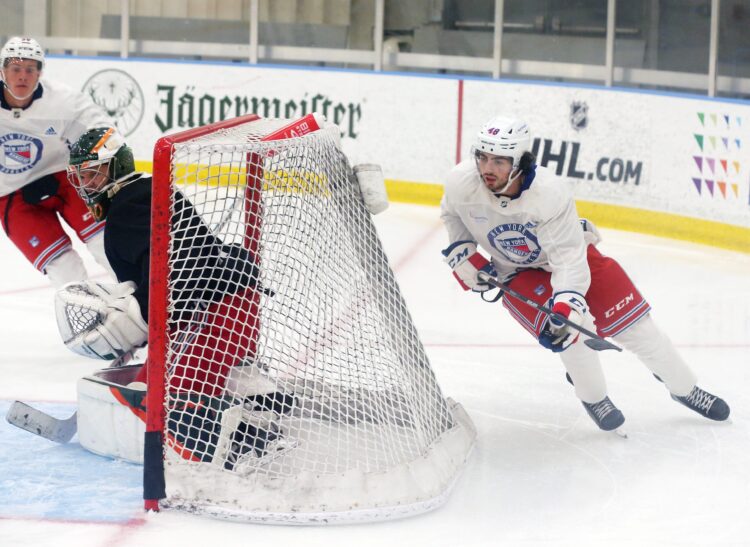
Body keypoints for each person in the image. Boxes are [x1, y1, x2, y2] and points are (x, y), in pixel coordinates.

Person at [440, 115, 730, 433]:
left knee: (640, 331)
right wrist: (463, 254)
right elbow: (452, 215)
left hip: (570, 258)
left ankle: (686, 389)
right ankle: (594, 396)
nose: (487, 168)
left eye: (498, 160)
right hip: (515, 272)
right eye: (482, 157)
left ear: (520, 161)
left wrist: (567, 302)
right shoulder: (460, 182)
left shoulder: (550, 193)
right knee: (573, 333)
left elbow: (568, 260)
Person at [55, 126, 293, 468]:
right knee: (150, 384)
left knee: (164, 401)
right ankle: (258, 398)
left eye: (93, 174)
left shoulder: (129, 207)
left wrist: (141, 321)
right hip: (230, 305)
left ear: (117, 166)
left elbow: (173, 274)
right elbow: (169, 268)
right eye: (81, 176)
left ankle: (250, 447)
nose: (86, 185)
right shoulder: (141, 192)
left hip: (213, 313)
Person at [0, 37, 115, 287]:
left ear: (40, 72)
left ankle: (147, 307)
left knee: (106, 243)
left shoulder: (62, 99)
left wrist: (97, 158)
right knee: (64, 269)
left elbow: (101, 126)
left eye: (30, 69)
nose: (22, 76)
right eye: (15, 69)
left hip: (66, 179)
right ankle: (86, 319)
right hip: (11, 196)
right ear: (2, 71)